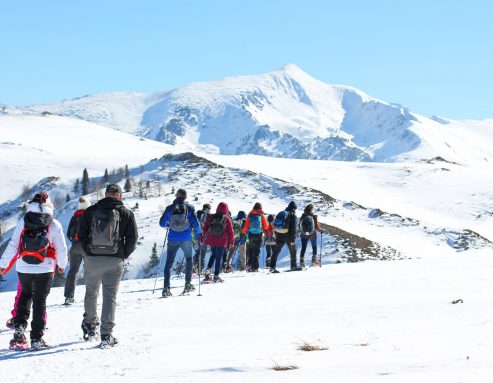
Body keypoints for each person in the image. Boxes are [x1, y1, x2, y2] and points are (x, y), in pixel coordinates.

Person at [0, 192, 68, 350]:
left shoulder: (23, 221)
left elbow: (13, 245)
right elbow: (62, 248)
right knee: (39, 301)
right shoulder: (54, 224)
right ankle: (37, 338)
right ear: (49, 205)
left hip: (23, 266)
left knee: (24, 296)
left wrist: (3, 263)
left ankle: (19, 330)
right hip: (45, 267)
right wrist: (62, 265)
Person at [78, 184, 138, 348]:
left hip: (92, 259)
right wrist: (123, 254)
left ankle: (90, 326)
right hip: (115, 260)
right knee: (109, 296)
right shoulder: (126, 213)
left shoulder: (91, 211)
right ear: (119, 196)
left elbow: (81, 234)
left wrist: (88, 253)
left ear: (105, 195)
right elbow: (133, 238)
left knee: (91, 292)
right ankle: (106, 335)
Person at [159, 188, 201, 297]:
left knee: (169, 263)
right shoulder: (190, 208)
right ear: (185, 197)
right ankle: (187, 283)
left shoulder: (170, 208)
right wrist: (198, 234)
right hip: (186, 237)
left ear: (176, 196)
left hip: (173, 238)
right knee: (188, 259)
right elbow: (196, 225)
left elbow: (162, 223)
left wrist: (169, 224)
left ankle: (166, 288)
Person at [63, 197, 90, 305]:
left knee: (72, 271)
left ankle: (69, 297)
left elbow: (69, 233)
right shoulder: (90, 215)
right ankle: (90, 297)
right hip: (86, 247)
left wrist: (74, 241)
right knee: (90, 271)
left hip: (74, 247)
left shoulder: (75, 216)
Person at [201, 202, 234, 283]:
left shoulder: (211, 217)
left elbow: (205, 228)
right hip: (222, 241)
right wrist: (232, 242)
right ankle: (216, 276)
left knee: (213, 255)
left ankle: (208, 271)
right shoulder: (227, 219)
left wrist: (202, 239)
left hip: (212, 240)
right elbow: (231, 232)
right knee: (219, 258)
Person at [269, 201, 299, 273]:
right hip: (288, 236)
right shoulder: (292, 215)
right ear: (294, 208)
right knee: (293, 251)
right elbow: (293, 229)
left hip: (279, 235)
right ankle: (293, 266)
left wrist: (276, 235)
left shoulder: (282, 214)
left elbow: (276, 226)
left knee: (276, 251)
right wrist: (292, 239)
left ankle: (272, 267)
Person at [241, 202, 269, 272]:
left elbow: (246, 225)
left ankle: (249, 265)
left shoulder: (250, 214)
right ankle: (255, 267)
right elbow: (265, 226)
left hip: (251, 234)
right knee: (256, 251)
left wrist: (243, 232)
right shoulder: (261, 214)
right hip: (258, 235)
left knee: (250, 250)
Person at [299, 203, 324, 267]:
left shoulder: (302, 216)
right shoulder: (313, 216)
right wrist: (321, 230)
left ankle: (301, 262)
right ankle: (314, 261)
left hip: (304, 235)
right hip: (312, 234)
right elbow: (316, 226)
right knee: (314, 247)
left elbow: (299, 226)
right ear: (311, 209)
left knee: (303, 248)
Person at [193, 203, 211, 273]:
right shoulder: (208, 215)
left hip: (195, 235)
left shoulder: (197, 213)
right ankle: (201, 269)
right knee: (203, 252)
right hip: (203, 235)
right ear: (208, 209)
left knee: (198, 251)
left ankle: (194, 268)